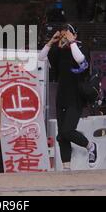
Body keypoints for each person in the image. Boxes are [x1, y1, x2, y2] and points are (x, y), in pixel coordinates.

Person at [39, 24, 97, 170]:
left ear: (75, 35)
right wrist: (51, 42)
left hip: (76, 97)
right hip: (61, 96)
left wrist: (72, 42)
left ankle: (90, 146)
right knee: (62, 136)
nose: (64, 37)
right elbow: (41, 57)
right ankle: (66, 168)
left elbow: (81, 60)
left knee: (68, 130)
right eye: (63, 35)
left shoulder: (80, 48)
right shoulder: (58, 51)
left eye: (67, 34)